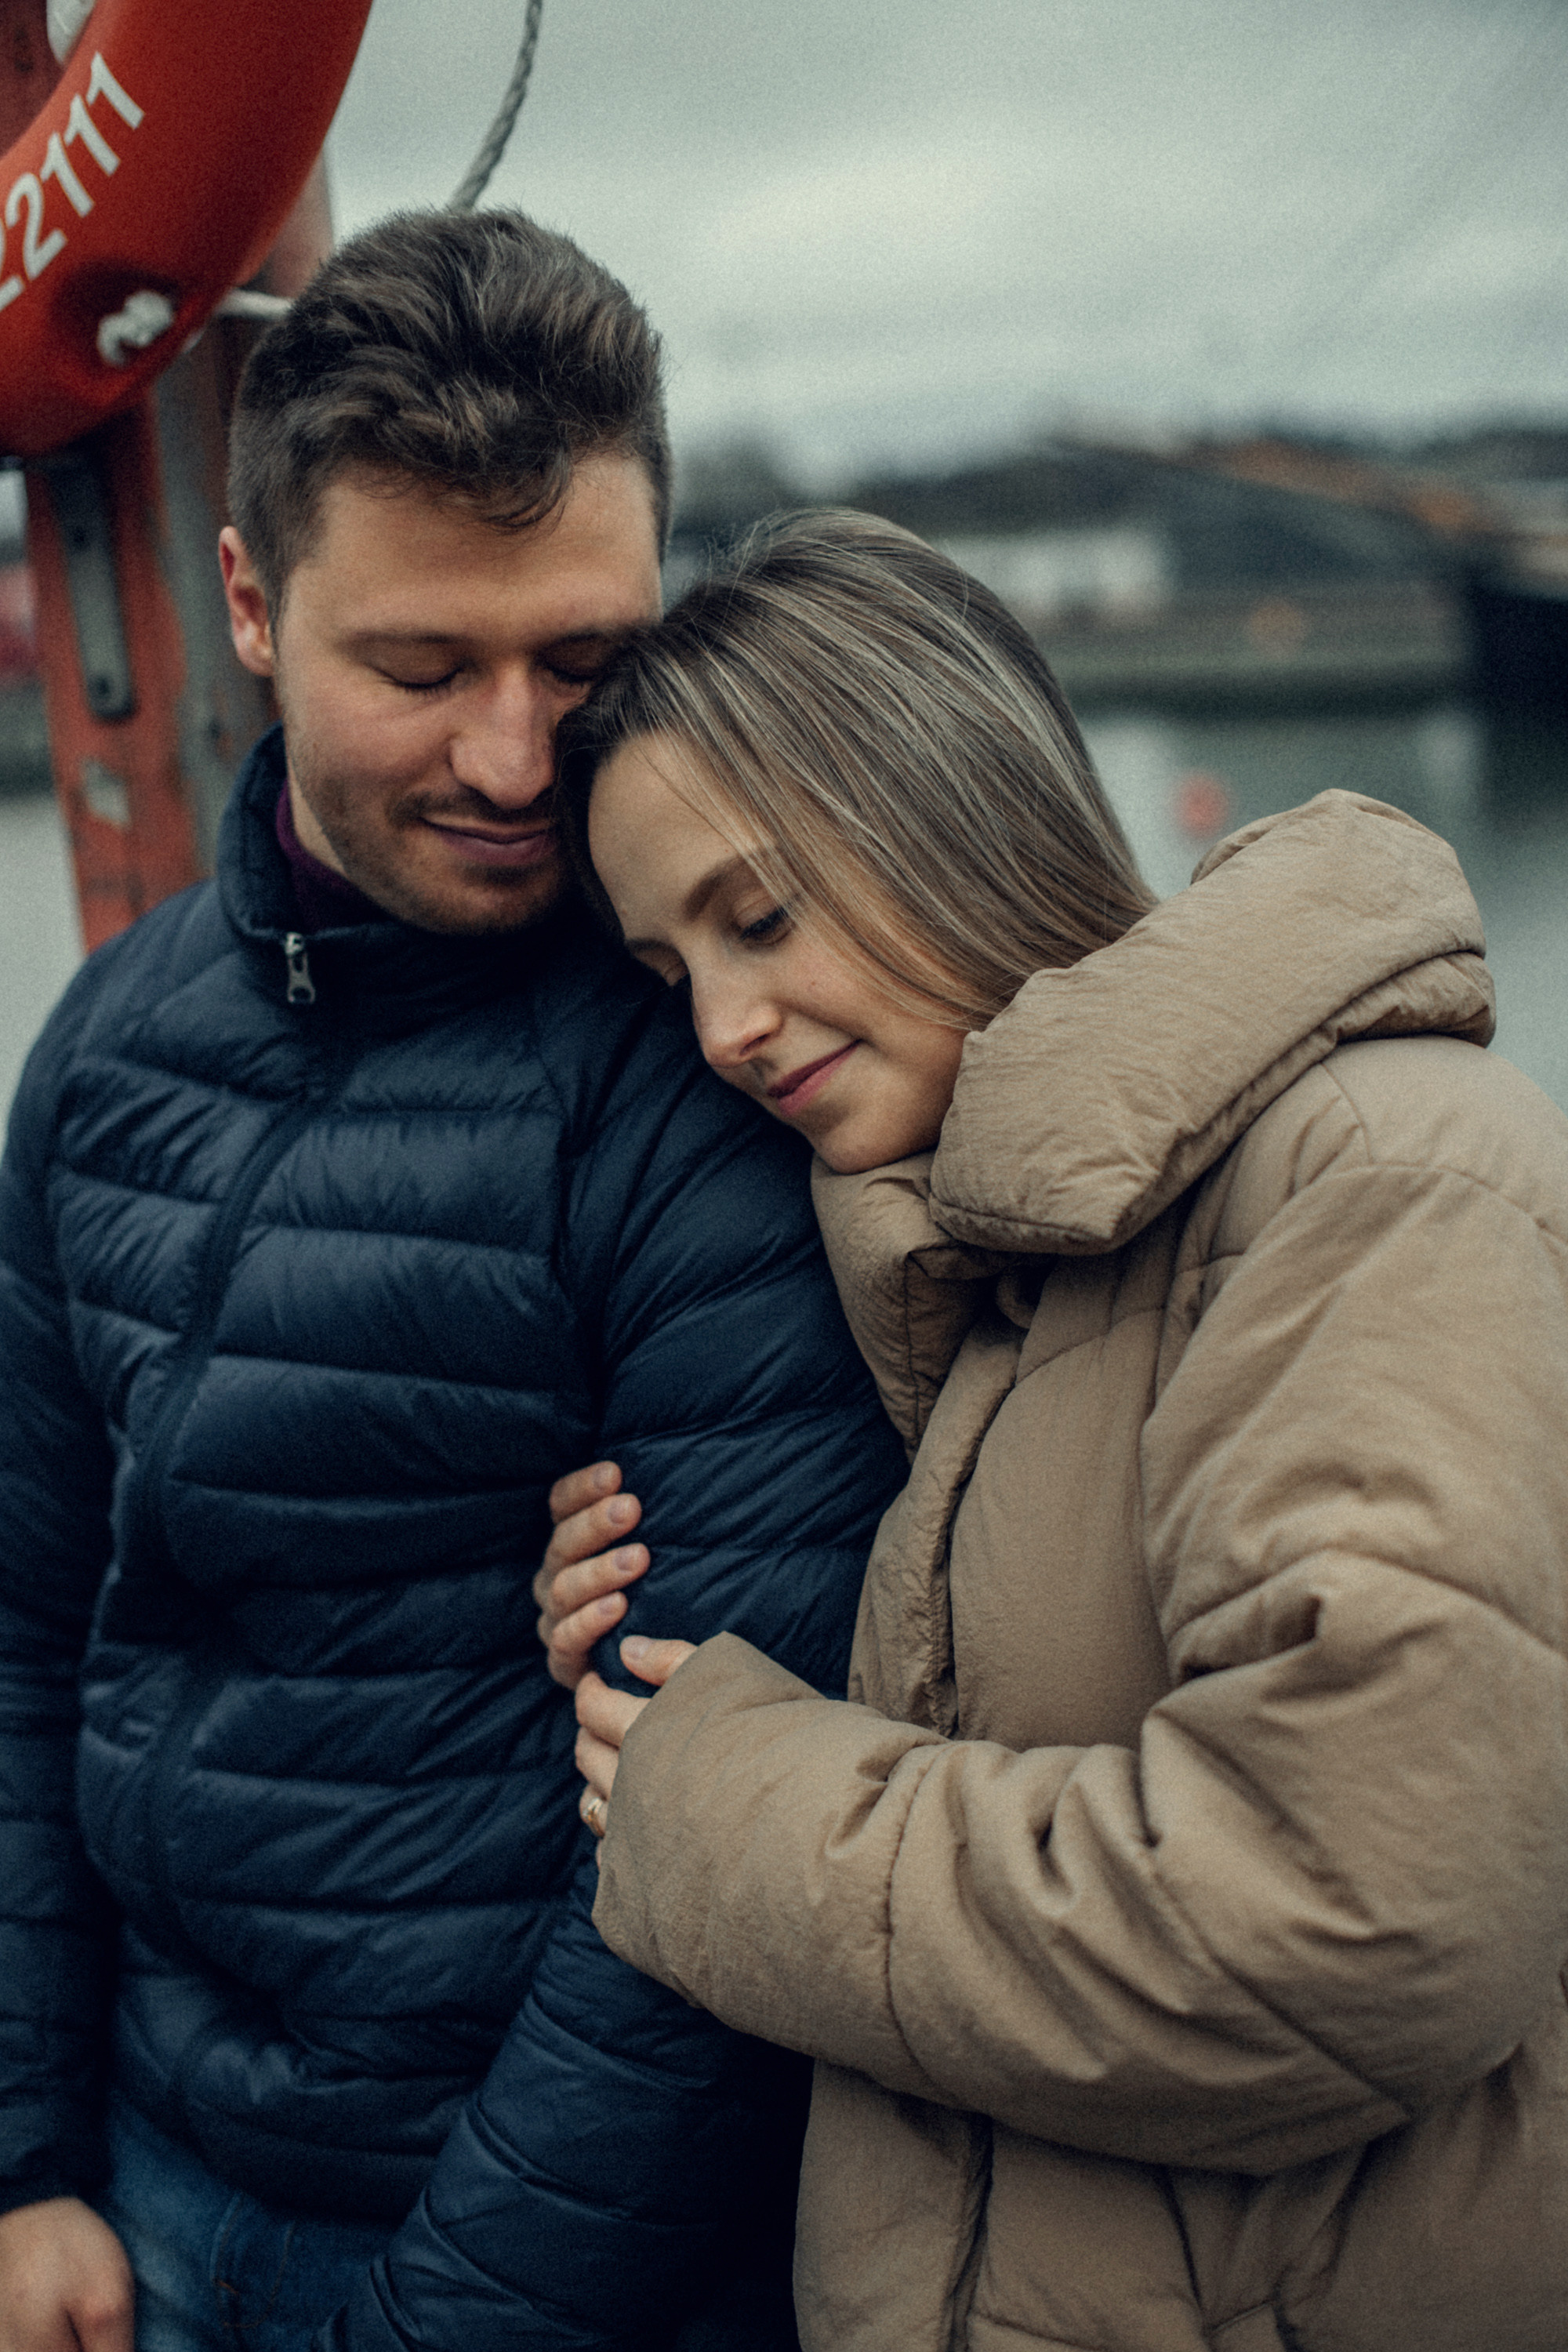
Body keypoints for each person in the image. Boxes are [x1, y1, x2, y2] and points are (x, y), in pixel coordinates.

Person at [0, 224, 906, 2352]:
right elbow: (27, 1625)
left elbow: (705, 1858)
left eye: (585, 660)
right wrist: (23, 2152)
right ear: (250, 607)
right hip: (140, 2178)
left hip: (545, 2261)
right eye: (422, 669)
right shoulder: (109, 1041)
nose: (515, 761)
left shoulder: (723, 1073)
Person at [547, 508, 1568, 2352]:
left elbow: (1351, 1924)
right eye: (666, 970)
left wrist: (721, 1815)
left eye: (756, 918)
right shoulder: (1005, 1267)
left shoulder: (1375, 1178)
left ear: (952, 804)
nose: (718, 1026)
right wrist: (645, 1612)